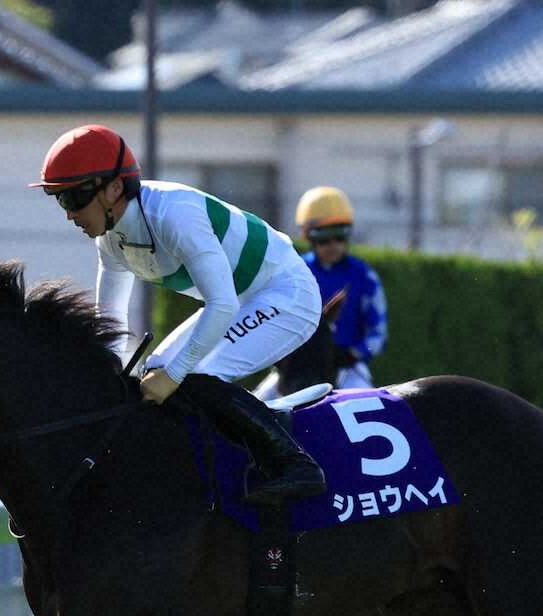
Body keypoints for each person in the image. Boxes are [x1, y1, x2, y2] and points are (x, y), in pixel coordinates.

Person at [30, 123, 325, 506]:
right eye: (61, 201)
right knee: (157, 367)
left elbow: (222, 306)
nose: (70, 215)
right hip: (242, 299)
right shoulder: (110, 239)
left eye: (73, 199)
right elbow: (111, 322)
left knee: (190, 374)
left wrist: (173, 375)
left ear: (114, 189)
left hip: (288, 295)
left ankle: (294, 463)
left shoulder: (174, 215)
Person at [295, 186, 387, 390]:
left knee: (368, 409)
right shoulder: (296, 273)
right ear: (309, 238)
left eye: (339, 237)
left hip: (349, 369)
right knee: (261, 403)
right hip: (298, 368)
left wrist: (354, 353)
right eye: (323, 239)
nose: (332, 245)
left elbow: (378, 333)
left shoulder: (364, 275)